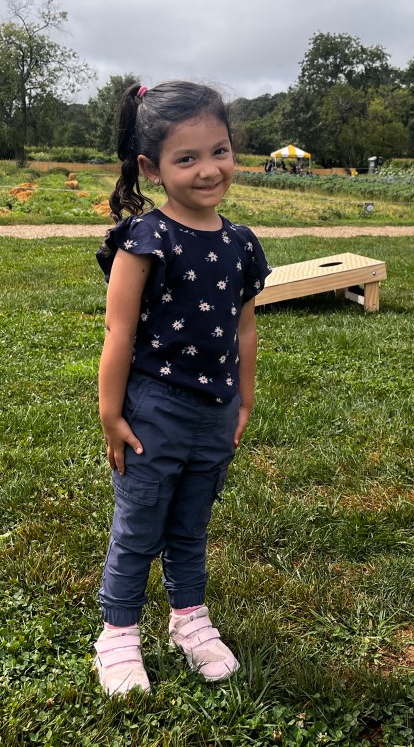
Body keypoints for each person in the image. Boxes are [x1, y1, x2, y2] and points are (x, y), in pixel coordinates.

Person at [93, 80, 270, 696]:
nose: (208, 170)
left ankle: (188, 618)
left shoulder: (242, 242)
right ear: (152, 167)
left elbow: (245, 327)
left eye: (218, 151)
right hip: (154, 410)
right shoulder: (145, 239)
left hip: (215, 411)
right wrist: (111, 414)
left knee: (191, 525)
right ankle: (117, 634)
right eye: (186, 158)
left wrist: (244, 398)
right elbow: (118, 333)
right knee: (140, 525)